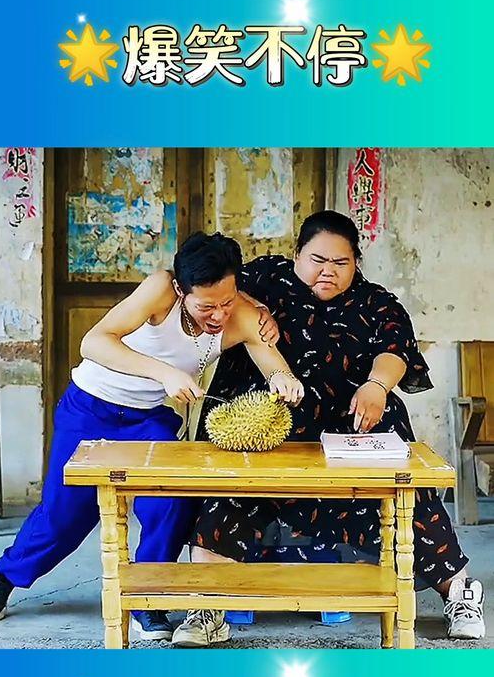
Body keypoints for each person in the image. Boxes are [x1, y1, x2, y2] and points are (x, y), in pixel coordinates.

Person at [172, 211, 485, 647]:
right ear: (296, 253)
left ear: (356, 262)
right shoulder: (265, 278)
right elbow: (211, 288)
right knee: (228, 496)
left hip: (354, 428)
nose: (328, 271)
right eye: (317, 259)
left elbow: (396, 349)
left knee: (411, 499)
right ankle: (207, 606)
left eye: (341, 262)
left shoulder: (376, 302)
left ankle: (461, 594)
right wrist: (250, 305)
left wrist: (377, 385)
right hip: (269, 430)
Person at [0, 231, 303, 641]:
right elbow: (94, 343)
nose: (219, 315)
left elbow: (274, 365)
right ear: (181, 290)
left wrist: (284, 380)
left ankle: (148, 598)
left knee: (172, 500)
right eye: (206, 306)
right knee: (65, 513)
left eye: (227, 302)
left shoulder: (243, 315)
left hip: (149, 419)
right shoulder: (160, 289)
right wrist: (163, 372)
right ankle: (4, 577)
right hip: (90, 407)